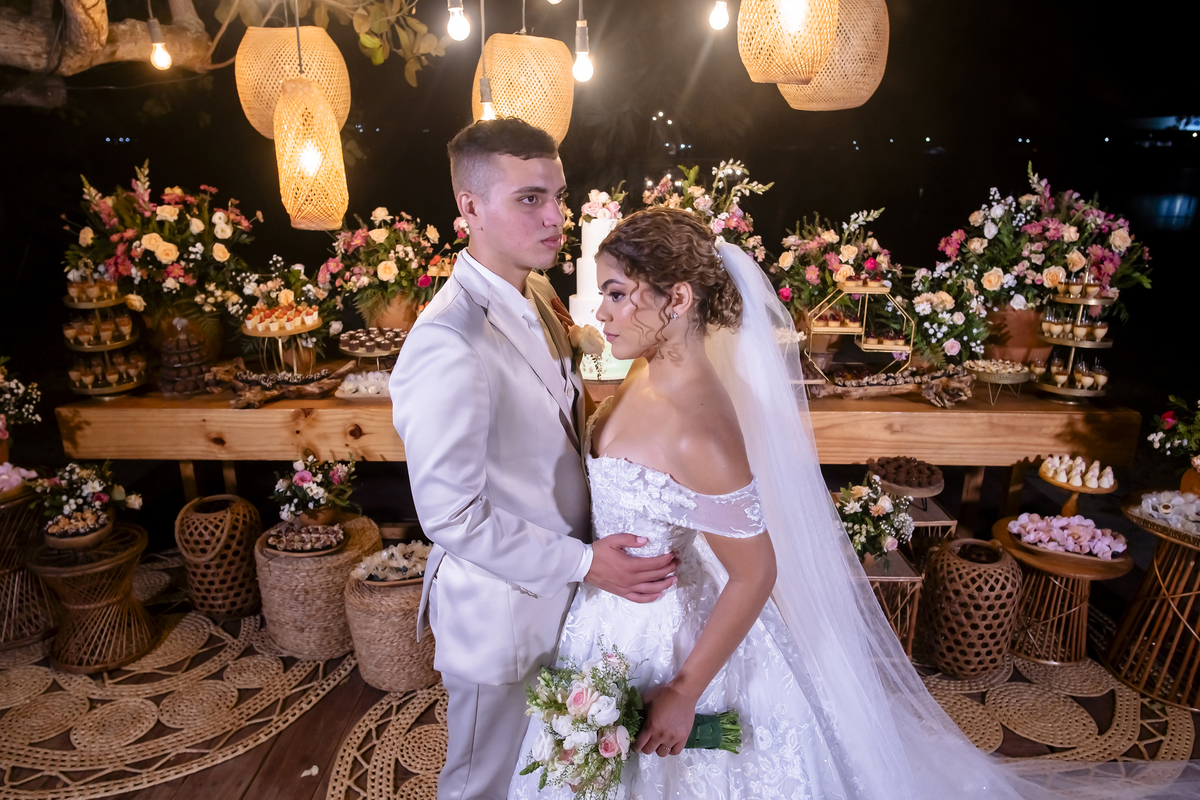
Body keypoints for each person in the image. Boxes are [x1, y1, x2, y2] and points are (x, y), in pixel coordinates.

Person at [509, 207, 1200, 799]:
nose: (600, 311)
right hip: (611, 618)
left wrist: (686, 691)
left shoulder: (700, 431)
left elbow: (756, 572)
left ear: (679, 298)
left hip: (665, 639)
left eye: (617, 293)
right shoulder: (644, 371)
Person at [389, 119, 677, 800]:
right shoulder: (448, 339)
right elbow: (451, 515)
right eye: (529, 198)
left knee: (543, 776)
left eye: (559, 195)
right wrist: (584, 563)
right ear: (470, 207)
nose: (556, 218)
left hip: (563, 603)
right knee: (483, 784)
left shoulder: (537, 292)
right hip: (502, 615)